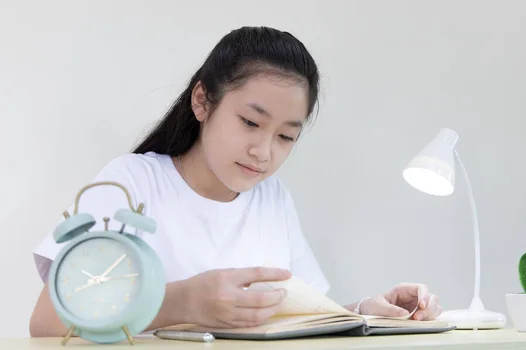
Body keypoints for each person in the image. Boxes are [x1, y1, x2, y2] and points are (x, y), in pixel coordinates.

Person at [29, 26, 442, 337]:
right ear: (202, 101)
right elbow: (46, 323)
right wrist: (181, 301)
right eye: (250, 122)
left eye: (285, 137)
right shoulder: (134, 181)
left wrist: (367, 310)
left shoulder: (271, 199)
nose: (263, 151)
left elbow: (299, 314)